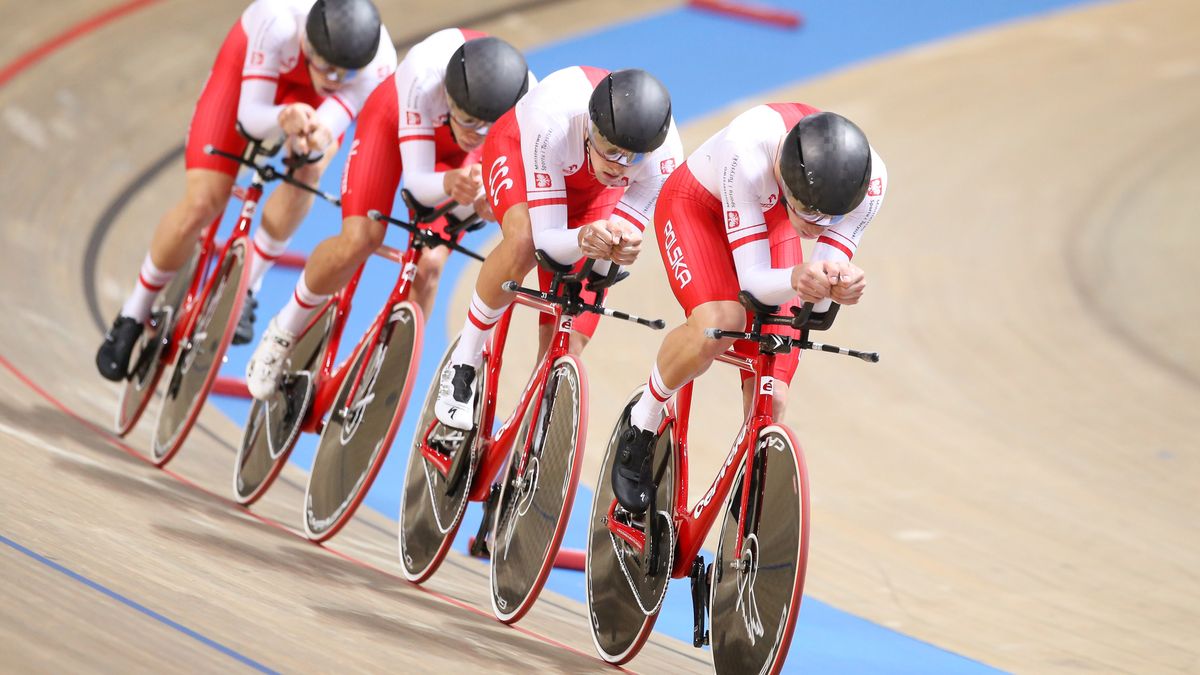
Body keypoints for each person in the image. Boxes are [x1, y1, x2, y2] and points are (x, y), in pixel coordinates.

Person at [94, 0, 396, 381]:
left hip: (307, 100)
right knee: (204, 202)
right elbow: (250, 119)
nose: (335, 79)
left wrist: (312, 138)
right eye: (326, 66)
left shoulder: (378, 65)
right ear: (306, 42)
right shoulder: (277, 24)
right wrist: (281, 117)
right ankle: (133, 313)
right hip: (249, 74)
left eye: (345, 73)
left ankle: (249, 284)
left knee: (308, 167)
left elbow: (324, 129)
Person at [610, 104, 888, 514]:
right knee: (719, 323)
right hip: (698, 210)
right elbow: (756, 283)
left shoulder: (871, 183)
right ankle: (643, 419)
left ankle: (747, 477)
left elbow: (822, 280)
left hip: (769, 222)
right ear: (786, 176)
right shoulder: (748, 148)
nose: (821, 224)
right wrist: (798, 279)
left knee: (774, 388)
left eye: (833, 216)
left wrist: (839, 285)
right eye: (811, 212)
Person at [243, 29, 532, 400]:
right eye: (467, 120)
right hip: (393, 122)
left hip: (459, 161)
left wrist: (488, 202)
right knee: (360, 239)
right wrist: (450, 184)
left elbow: (507, 199)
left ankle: (389, 378)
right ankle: (284, 329)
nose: (477, 134)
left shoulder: (526, 111)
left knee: (429, 266)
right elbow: (416, 185)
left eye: (487, 127)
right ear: (447, 96)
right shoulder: (423, 74)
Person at [432, 66, 684, 431]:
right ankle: (464, 361)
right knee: (523, 241)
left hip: (591, 194)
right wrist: (583, 239)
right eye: (610, 149)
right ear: (591, 129)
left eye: (633, 158)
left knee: (570, 334)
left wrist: (618, 248)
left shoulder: (664, 159)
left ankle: (520, 449)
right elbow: (547, 244)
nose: (619, 166)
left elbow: (606, 254)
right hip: (521, 152)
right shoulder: (553, 116)